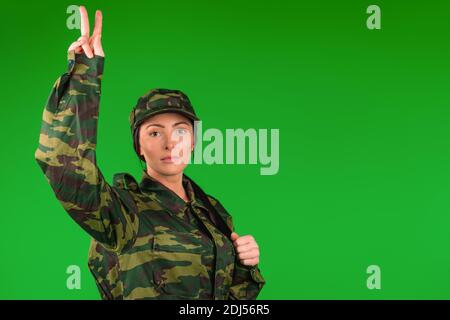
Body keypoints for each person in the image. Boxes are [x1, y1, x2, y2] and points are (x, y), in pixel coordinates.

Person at [34, 6, 265, 300]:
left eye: (181, 131)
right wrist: (85, 75)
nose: (170, 142)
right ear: (139, 147)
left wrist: (247, 266)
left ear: (193, 141)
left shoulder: (213, 213)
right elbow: (63, 166)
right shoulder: (125, 211)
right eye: (155, 132)